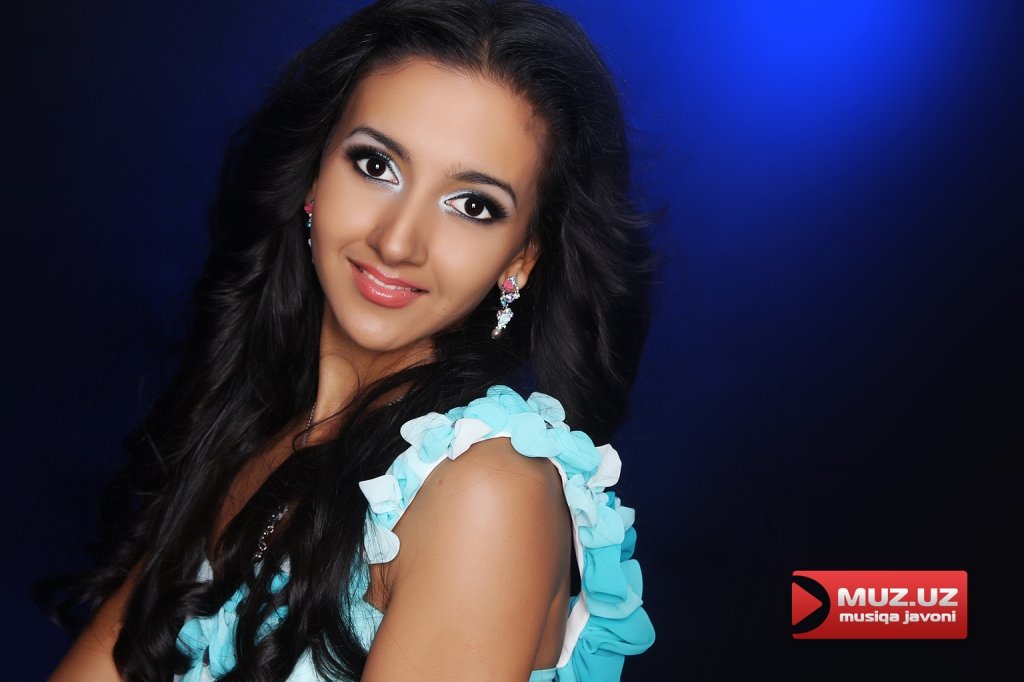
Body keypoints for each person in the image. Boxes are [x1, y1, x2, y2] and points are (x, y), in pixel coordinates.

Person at [48, 0, 655, 679]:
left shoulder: (485, 490)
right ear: (314, 173)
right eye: (375, 165)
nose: (397, 241)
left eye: (473, 205)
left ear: (520, 258)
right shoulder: (261, 427)